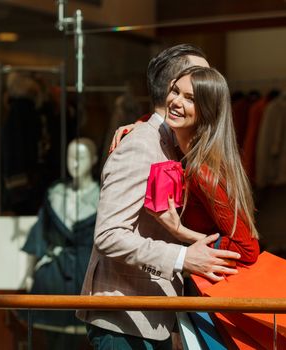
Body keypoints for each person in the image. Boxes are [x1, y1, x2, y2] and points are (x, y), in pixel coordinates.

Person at [77, 44, 242, 350]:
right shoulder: (142, 144)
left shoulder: (177, 145)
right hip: (125, 317)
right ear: (172, 88)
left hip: (154, 316)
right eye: (197, 78)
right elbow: (109, 234)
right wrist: (182, 258)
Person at [147, 65, 260, 265]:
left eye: (190, 99)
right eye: (175, 91)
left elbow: (247, 249)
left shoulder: (202, 171)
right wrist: (136, 127)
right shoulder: (191, 152)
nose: (176, 101)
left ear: (206, 111)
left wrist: (181, 232)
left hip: (218, 289)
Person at [20, 138, 99, 349]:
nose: (74, 163)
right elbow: (39, 232)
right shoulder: (54, 195)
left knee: (85, 339)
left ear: (93, 159)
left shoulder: (104, 196)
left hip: (86, 278)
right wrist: (28, 273)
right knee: (52, 341)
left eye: (80, 157)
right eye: (70, 157)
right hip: (53, 277)